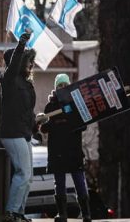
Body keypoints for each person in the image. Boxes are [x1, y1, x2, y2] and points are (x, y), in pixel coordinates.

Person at [38, 74, 92, 222]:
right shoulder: (51, 106)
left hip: (73, 149)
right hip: (57, 150)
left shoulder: (75, 103)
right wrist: (45, 122)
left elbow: (84, 125)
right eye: (59, 85)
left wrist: (69, 121)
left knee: (79, 181)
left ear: (68, 86)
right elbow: (45, 129)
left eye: (64, 85)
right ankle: (62, 214)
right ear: (55, 88)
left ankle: (86, 214)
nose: (62, 88)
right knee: (59, 182)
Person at [0, 32, 37, 222]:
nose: (31, 64)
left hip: (24, 132)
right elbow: (12, 66)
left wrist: (37, 121)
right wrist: (21, 44)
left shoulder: (27, 84)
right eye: (27, 61)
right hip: (12, 132)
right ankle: (11, 212)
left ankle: (19, 212)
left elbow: (27, 112)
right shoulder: (10, 79)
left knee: (28, 176)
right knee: (23, 172)